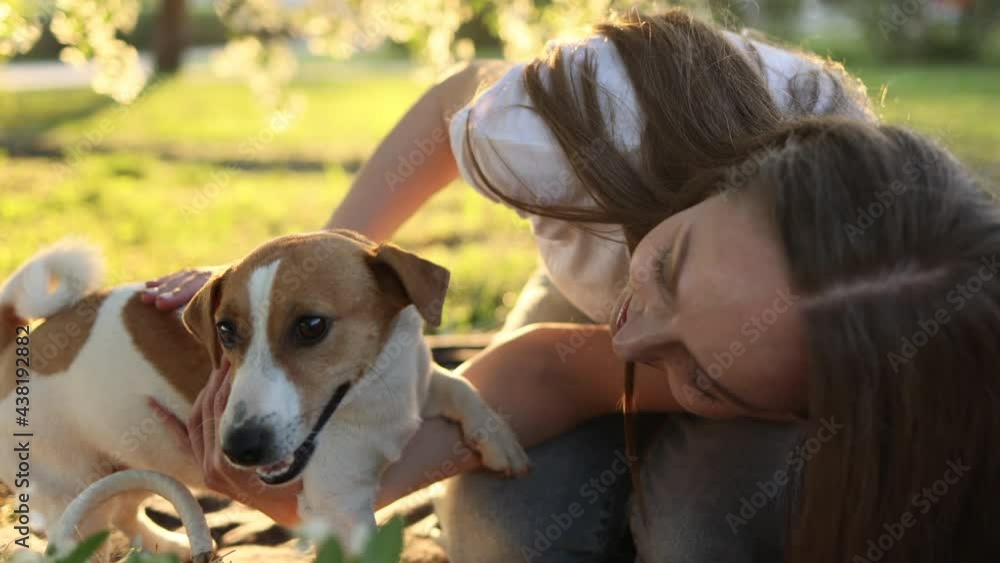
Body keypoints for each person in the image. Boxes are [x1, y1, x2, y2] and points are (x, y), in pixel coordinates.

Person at [146, 9, 1000, 563]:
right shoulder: (608, 118)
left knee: (702, 537)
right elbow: (554, 366)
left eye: (702, 371)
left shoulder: (879, 382)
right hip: (603, 272)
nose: (632, 341)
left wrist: (699, 370)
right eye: (673, 264)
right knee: (507, 535)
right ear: (751, 171)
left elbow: (592, 369)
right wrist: (315, 280)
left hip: (780, 386)